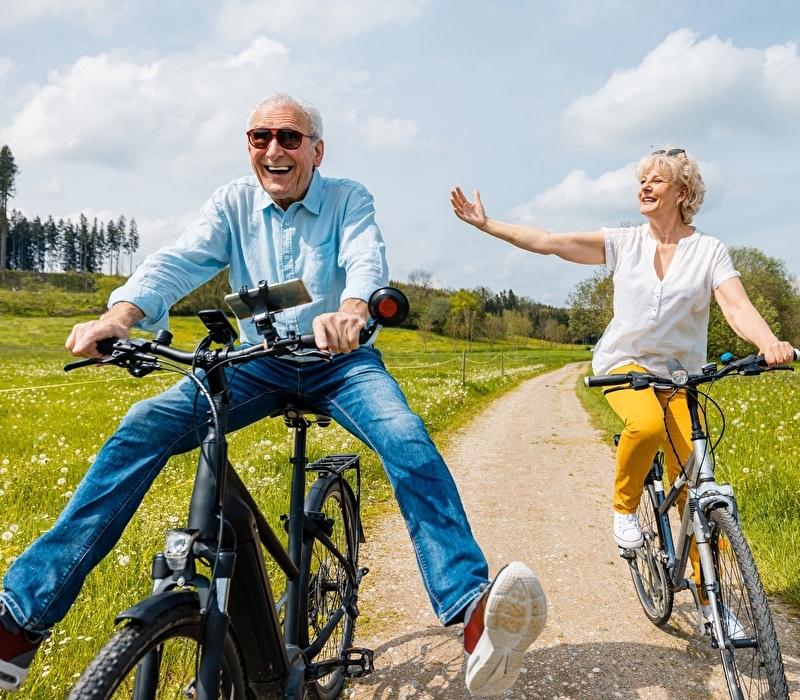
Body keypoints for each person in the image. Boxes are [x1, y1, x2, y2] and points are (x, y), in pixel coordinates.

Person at [0, 94, 546, 696]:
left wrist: (353, 310)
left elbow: (365, 256)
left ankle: (470, 611)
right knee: (141, 425)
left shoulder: (348, 198)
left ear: (317, 149)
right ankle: (21, 621)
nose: (274, 149)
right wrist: (121, 317)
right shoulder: (232, 203)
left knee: (405, 438)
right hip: (258, 362)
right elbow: (178, 261)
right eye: (260, 137)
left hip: (342, 360)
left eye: (289, 137)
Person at [451, 147, 795, 561]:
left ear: (682, 191)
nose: (644, 187)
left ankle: (718, 608)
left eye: (656, 180)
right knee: (647, 425)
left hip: (679, 375)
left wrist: (768, 343)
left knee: (695, 482)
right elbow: (549, 243)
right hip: (624, 364)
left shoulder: (709, 250)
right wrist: (486, 224)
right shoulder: (624, 243)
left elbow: (737, 306)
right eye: (641, 181)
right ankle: (625, 509)